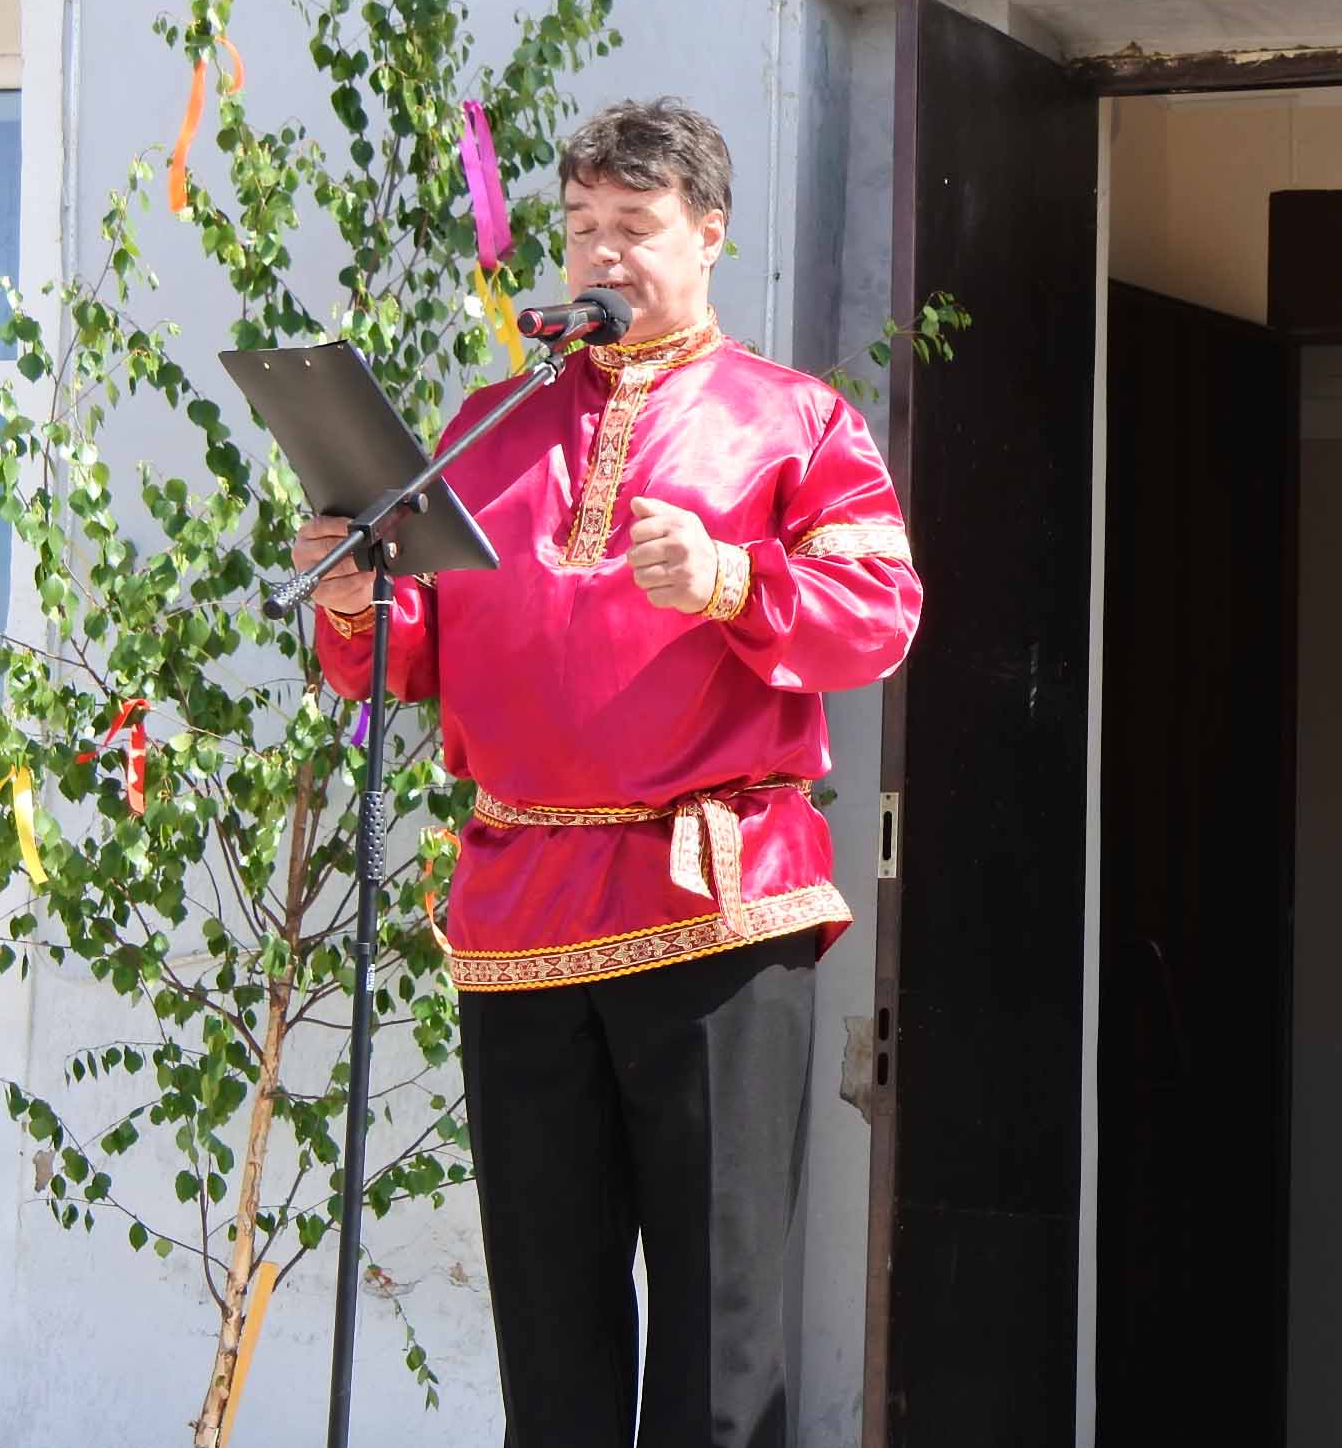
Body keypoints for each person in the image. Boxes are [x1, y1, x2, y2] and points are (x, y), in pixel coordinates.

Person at [293, 98, 921, 1448]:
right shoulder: (487, 427)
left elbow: (880, 615)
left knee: (719, 1334)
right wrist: (353, 600)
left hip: (713, 908)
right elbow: (415, 650)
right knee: (550, 1331)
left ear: (710, 234)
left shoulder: (793, 420)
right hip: (520, 920)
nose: (602, 254)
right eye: (582, 227)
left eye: (634, 225)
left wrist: (736, 577)